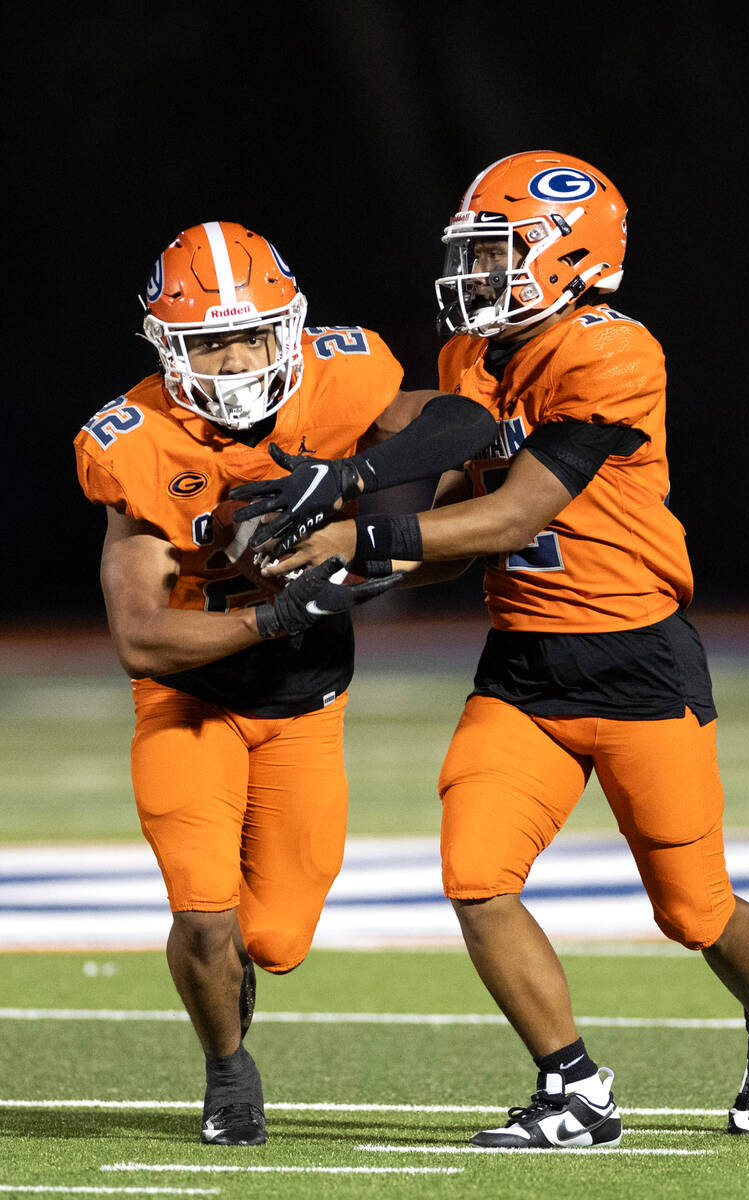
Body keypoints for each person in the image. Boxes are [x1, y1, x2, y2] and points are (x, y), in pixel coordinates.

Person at [256, 153, 749, 1148]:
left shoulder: (612, 352)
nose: (475, 275)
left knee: (694, 913)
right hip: (522, 666)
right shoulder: (475, 359)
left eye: (497, 253)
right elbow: (456, 519)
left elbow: (517, 514)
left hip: (637, 662)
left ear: (570, 256)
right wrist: (351, 576)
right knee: (475, 875)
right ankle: (574, 1090)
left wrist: (356, 536)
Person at [73, 220, 497, 1147]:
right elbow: (140, 640)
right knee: (204, 910)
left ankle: (233, 971)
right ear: (166, 348)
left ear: (290, 327)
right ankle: (227, 1070)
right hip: (191, 702)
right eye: (207, 341)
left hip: (306, 702)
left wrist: (354, 484)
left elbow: (466, 423)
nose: (231, 360)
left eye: (250, 334)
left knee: (277, 941)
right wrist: (275, 612)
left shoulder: (342, 377)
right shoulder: (136, 438)